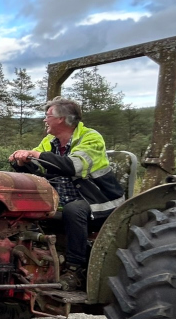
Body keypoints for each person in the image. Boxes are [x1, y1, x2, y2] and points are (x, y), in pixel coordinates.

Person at [9, 97, 125, 291]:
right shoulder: (50, 141)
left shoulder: (91, 138)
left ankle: (75, 270)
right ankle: (32, 259)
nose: (44, 120)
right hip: (63, 200)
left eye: (48, 116)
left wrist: (35, 155)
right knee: (29, 205)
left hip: (100, 203)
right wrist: (22, 162)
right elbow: (39, 167)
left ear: (62, 118)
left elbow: (73, 166)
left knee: (74, 209)